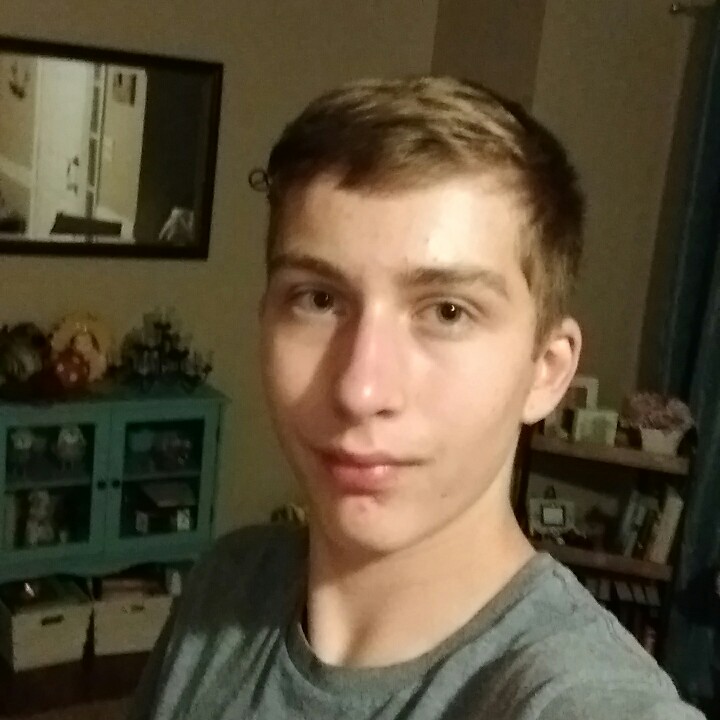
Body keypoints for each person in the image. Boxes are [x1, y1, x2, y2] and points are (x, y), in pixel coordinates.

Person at [128, 76, 704, 719]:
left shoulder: (575, 700)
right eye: (318, 299)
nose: (360, 390)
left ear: (546, 370)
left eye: (448, 311)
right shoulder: (227, 586)